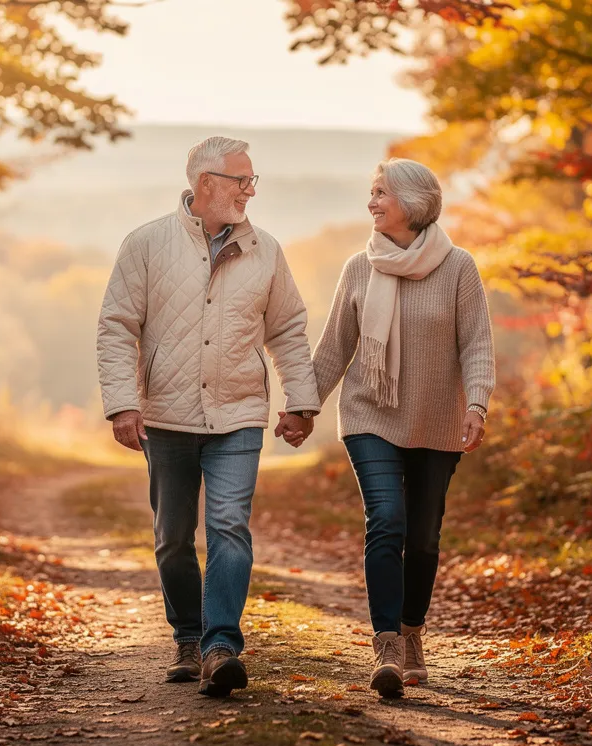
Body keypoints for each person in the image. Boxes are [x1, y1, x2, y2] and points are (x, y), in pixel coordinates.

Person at [96, 136, 319, 697]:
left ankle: (221, 645)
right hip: (167, 416)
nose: (250, 190)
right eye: (240, 180)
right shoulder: (146, 245)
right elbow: (118, 326)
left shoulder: (266, 250)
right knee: (173, 537)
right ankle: (187, 638)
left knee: (228, 526)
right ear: (204, 185)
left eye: (252, 181)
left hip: (239, 414)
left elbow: (288, 328)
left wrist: (301, 399)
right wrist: (123, 403)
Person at [304, 158, 495, 698]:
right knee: (386, 519)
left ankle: (413, 632)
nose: (371, 203)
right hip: (370, 413)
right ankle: (386, 643)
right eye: (371, 192)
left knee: (424, 537)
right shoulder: (358, 268)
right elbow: (335, 347)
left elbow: (477, 344)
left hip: (436, 418)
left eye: (381, 193)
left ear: (412, 203)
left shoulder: (458, 267)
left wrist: (475, 404)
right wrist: (303, 407)